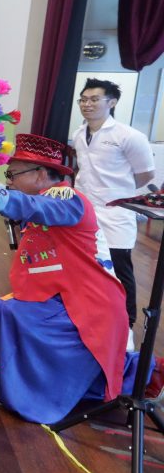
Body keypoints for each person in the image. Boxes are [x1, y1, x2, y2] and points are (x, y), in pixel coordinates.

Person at [0, 134, 160, 423]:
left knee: (5, 311)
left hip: (89, 303)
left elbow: (33, 208)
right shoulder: (44, 195)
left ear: (40, 174)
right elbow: (22, 203)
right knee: (9, 310)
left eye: (13, 174)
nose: (9, 180)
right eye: (8, 174)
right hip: (65, 294)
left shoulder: (67, 199)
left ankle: (16, 387)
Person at [70, 78, 155, 325]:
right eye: (83, 99)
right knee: (85, 262)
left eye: (94, 99)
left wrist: (118, 192)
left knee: (119, 267)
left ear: (112, 102)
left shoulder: (128, 136)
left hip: (115, 212)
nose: (87, 104)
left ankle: (126, 321)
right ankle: (90, 311)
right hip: (84, 209)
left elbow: (146, 174)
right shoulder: (78, 133)